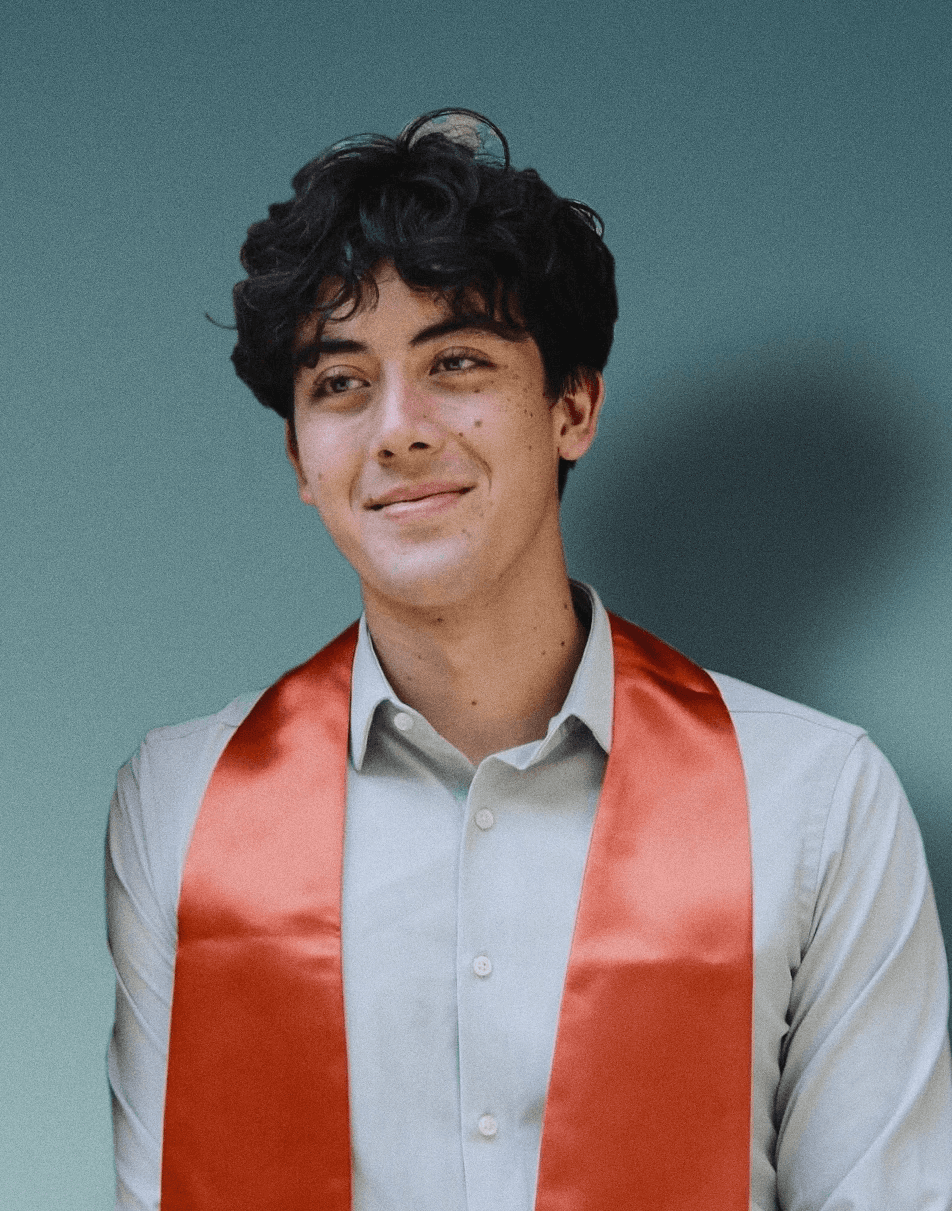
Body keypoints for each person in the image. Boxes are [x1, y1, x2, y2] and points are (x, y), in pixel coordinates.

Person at [106, 108, 952, 1211]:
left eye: (455, 362)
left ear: (573, 405)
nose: (398, 429)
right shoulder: (180, 804)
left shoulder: (816, 799)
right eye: (341, 382)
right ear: (300, 458)